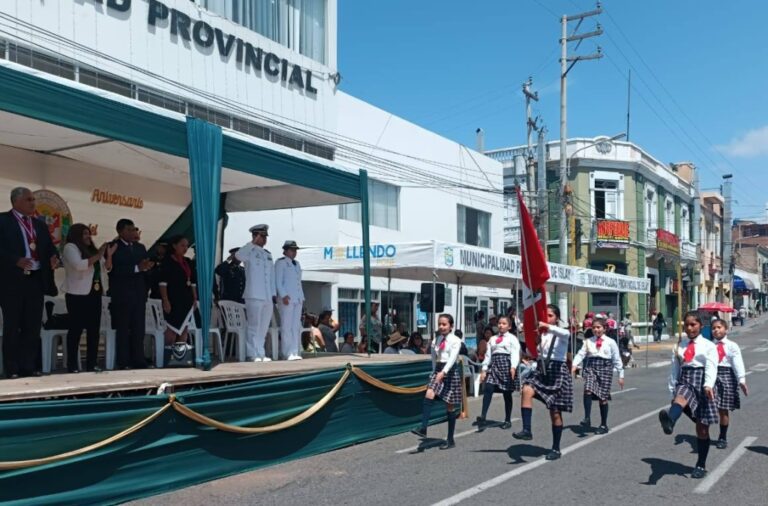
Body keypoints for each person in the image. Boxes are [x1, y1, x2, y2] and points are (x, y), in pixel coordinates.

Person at [0, 188, 59, 378]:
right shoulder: (3, 221)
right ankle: (12, 368)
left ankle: (28, 366)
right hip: (12, 280)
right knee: (13, 325)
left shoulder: (39, 225)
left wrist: (53, 258)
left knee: (32, 326)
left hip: (35, 278)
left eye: (33, 199)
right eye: (29, 199)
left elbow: (50, 248)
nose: (33, 203)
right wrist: (14, 260)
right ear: (15, 201)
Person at [657, 311, 718, 479]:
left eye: (693, 325)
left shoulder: (708, 346)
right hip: (685, 379)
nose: (690, 328)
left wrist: (708, 384)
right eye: (687, 325)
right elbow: (675, 368)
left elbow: (712, 367)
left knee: (702, 429)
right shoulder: (679, 345)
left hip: (703, 382)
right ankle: (669, 422)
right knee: (680, 396)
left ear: (701, 326)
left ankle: (701, 464)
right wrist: (672, 387)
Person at [513, 304, 573, 461]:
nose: (547, 318)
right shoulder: (540, 334)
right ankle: (527, 429)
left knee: (555, 412)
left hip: (557, 371)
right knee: (526, 389)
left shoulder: (560, 333)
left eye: (551, 316)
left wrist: (546, 326)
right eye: (545, 316)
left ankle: (556, 447)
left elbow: (566, 333)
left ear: (557, 318)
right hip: (541, 369)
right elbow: (531, 352)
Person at [62, 223, 114, 373]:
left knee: (93, 331)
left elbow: (107, 268)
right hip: (77, 295)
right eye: (84, 234)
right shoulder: (70, 247)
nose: (88, 237)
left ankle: (92, 364)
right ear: (77, 235)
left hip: (95, 293)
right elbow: (79, 265)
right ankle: (72, 365)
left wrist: (108, 255)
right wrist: (99, 254)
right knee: (76, 330)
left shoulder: (92, 249)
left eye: (88, 234)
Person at [411, 313, 462, 450]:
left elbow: (452, 358)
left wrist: (443, 372)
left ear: (451, 326)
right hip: (438, 369)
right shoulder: (436, 339)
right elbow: (434, 356)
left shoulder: (455, 340)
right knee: (429, 393)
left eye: (444, 324)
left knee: (449, 405)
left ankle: (450, 439)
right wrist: (434, 371)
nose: (441, 327)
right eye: (440, 324)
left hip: (449, 370)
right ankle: (423, 427)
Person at [108, 218, 153, 370]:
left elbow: (145, 268)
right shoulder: (113, 247)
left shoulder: (140, 247)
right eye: (129, 229)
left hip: (139, 293)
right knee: (123, 328)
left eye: (134, 229)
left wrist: (147, 268)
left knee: (138, 328)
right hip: (121, 294)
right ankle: (123, 360)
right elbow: (113, 270)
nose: (132, 232)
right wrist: (136, 268)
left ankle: (138, 359)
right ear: (120, 231)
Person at [572, 318, 624, 434]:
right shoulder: (588, 341)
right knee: (588, 389)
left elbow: (616, 359)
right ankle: (587, 418)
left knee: (603, 398)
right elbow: (581, 354)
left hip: (605, 369)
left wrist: (621, 375)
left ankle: (603, 424)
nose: (596, 330)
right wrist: (575, 364)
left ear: (604, 328)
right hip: (591, 367)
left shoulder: (611, 342)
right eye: (594, 327)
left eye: (599, 327)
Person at [236, 224, 276, 362]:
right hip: (254, 294)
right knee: (254, 325)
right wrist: (252, 243)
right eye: (262, 236)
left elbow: (271, 276)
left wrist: (273, 294)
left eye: (265, 236)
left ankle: (260, 352)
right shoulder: (249, 252)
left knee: (263, 326)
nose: (264, 239)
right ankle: (252, 353)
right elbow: (238, 255)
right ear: (255, 236)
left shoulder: (268, 255)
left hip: (266, 295)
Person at [477, 315, 520, 431]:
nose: (501, 325)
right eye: (499, 323)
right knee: (488, 388)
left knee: (507, 394)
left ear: (509, 326)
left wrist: (513, 367)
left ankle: (507, 419)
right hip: (495, 366)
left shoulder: (512, 339)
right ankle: (483, 415)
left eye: (504, 323)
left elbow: (515, 354)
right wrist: (484, 369)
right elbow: (488, 356)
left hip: (506, 366)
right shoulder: (492, 339)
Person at [710, 318, 749, 449]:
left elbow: (738, 362)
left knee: (723, 410)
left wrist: (741, 380)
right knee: (707, 406)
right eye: (714, 328)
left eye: (719, 327)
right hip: (712, 375)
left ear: (726, 329)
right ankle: (703, 433)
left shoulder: (732, 346)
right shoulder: (709, 345)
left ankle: (722, 437)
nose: (716, 330)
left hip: (727, 376)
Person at [158, 235, 197, 347]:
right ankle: (167, 354)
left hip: (186, 300)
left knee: (184, 328)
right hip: (173, 299)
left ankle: (180, 355)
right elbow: (162, 283)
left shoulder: (188, 262)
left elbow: (193, 282)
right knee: (172, 328)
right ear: (174, 246)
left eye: (186, 246)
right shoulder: (168, 261)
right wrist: (165, 300)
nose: (185, 248)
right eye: (182, 245)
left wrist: (194, 298)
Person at [275, 240, 305, 360]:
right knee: (286, 326)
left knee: (295, 326)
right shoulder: (280, 263)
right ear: (285, 251)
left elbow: (298, 282)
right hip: (287, 298)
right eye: (292, 250)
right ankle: (286, 352)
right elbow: (278, 281)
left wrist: (301, 297)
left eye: (295, 250)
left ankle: (294, 351)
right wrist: (283, 295)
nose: (294, 252)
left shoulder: (297, 264)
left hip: (297, 298)